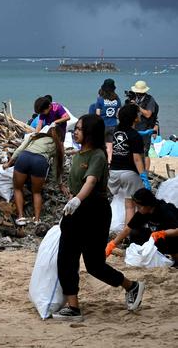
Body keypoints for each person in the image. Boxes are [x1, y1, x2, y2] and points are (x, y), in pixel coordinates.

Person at [53, 114, 144, 321]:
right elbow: (78, 185)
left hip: (95, 212)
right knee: (66, 258)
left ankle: (131, 286)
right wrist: (70, 197)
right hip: (76, 211)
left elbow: (91, 182)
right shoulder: (77, 156)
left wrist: (77, 200)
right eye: (75, 128)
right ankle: (73, 307)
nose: (75, 132)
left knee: (94, 264)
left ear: (91, 133)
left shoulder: (98, 156)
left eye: (79, 129)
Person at [3, 129, 68, 226]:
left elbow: (20, 149)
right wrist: (60, 184)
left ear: (47, 132)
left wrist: (9, 163)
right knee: (37, 192)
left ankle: (20, 217)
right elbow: (55, 168)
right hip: (40, 162)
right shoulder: (57, 146)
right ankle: (37, 220)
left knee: (17, 188)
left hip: (24, 157)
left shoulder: (35, 136)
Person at [106, 188, 178, 262]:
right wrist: (112, 244)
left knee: (168, 239)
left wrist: (163, 233)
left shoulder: (165, 210)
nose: (138, 209)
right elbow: (128, 229)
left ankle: (175, 258)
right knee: (135, 232)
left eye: (139, 207)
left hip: (173, 236)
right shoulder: (143, 213)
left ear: (147, 205)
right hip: (157, 236)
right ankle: (140, 254)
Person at [108, 104, 149, 228]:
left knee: (127, 203)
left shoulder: (117, 130)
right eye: (137, 113)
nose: (140, 115)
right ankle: (133, 232)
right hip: (129, 173)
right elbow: (137, 159)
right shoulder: (135, 137)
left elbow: (128, 135)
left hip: (114, 172)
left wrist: (140, 133)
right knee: (134, 205)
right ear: (134, 118)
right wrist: (144, 177)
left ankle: (126, 232)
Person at [130, 80, 159, 170]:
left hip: (146, 128)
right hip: (136, 127)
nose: (137, 93)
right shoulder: (135, 98)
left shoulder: (150, 100)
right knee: (134, 150)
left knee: (145, 151)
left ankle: (146, 171)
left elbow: (148, 114)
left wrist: (137, 106)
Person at [95, 79, 122, 163]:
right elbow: (118, 114)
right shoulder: (117, 99)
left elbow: (97, 115)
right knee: (110, 146)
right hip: (113, 125)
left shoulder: (100, 99)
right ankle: (110, 162)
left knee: (100, 145)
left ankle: (101, 162)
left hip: (102, 125)